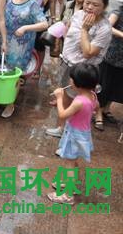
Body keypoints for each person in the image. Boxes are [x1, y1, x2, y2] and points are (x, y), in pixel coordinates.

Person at [46, 0, 112, 137]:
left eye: (95, 5)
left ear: (105, 7)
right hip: (67, 62)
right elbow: (68, 33)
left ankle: (70, 132)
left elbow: (88, 53)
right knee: (66, 95)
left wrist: (84, 30)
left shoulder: (104, 28)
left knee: (78, 102)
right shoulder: (79, 14)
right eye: (87, 3)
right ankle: (62, 128)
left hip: (82, 70)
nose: (89, 7)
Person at [48, 64, 99, 204]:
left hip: (75, 135)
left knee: (69, 163)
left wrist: (59, 98)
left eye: (72, 79)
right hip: (83, 134)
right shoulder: (93, 96)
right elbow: (96, 107)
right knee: (74, 161)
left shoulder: (78, 101)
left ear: (78, 84)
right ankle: (70, 184)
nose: (70, 80)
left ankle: (68, 196)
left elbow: (62, 114)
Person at [2, 0, 48, 118]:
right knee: (2, 69)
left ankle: (10, 103)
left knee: (15, 74)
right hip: (5, 40)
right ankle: (0, 97)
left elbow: (44, 24)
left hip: (21, 46)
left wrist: (26, 27)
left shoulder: (32, 3)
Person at [96, 0, 123, 130]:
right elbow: (109, 27)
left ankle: (107, 109)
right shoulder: (118, 12)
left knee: (116, 86)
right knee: (104, 85)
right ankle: (98, 113)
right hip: (111, 56)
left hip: (122, 60)